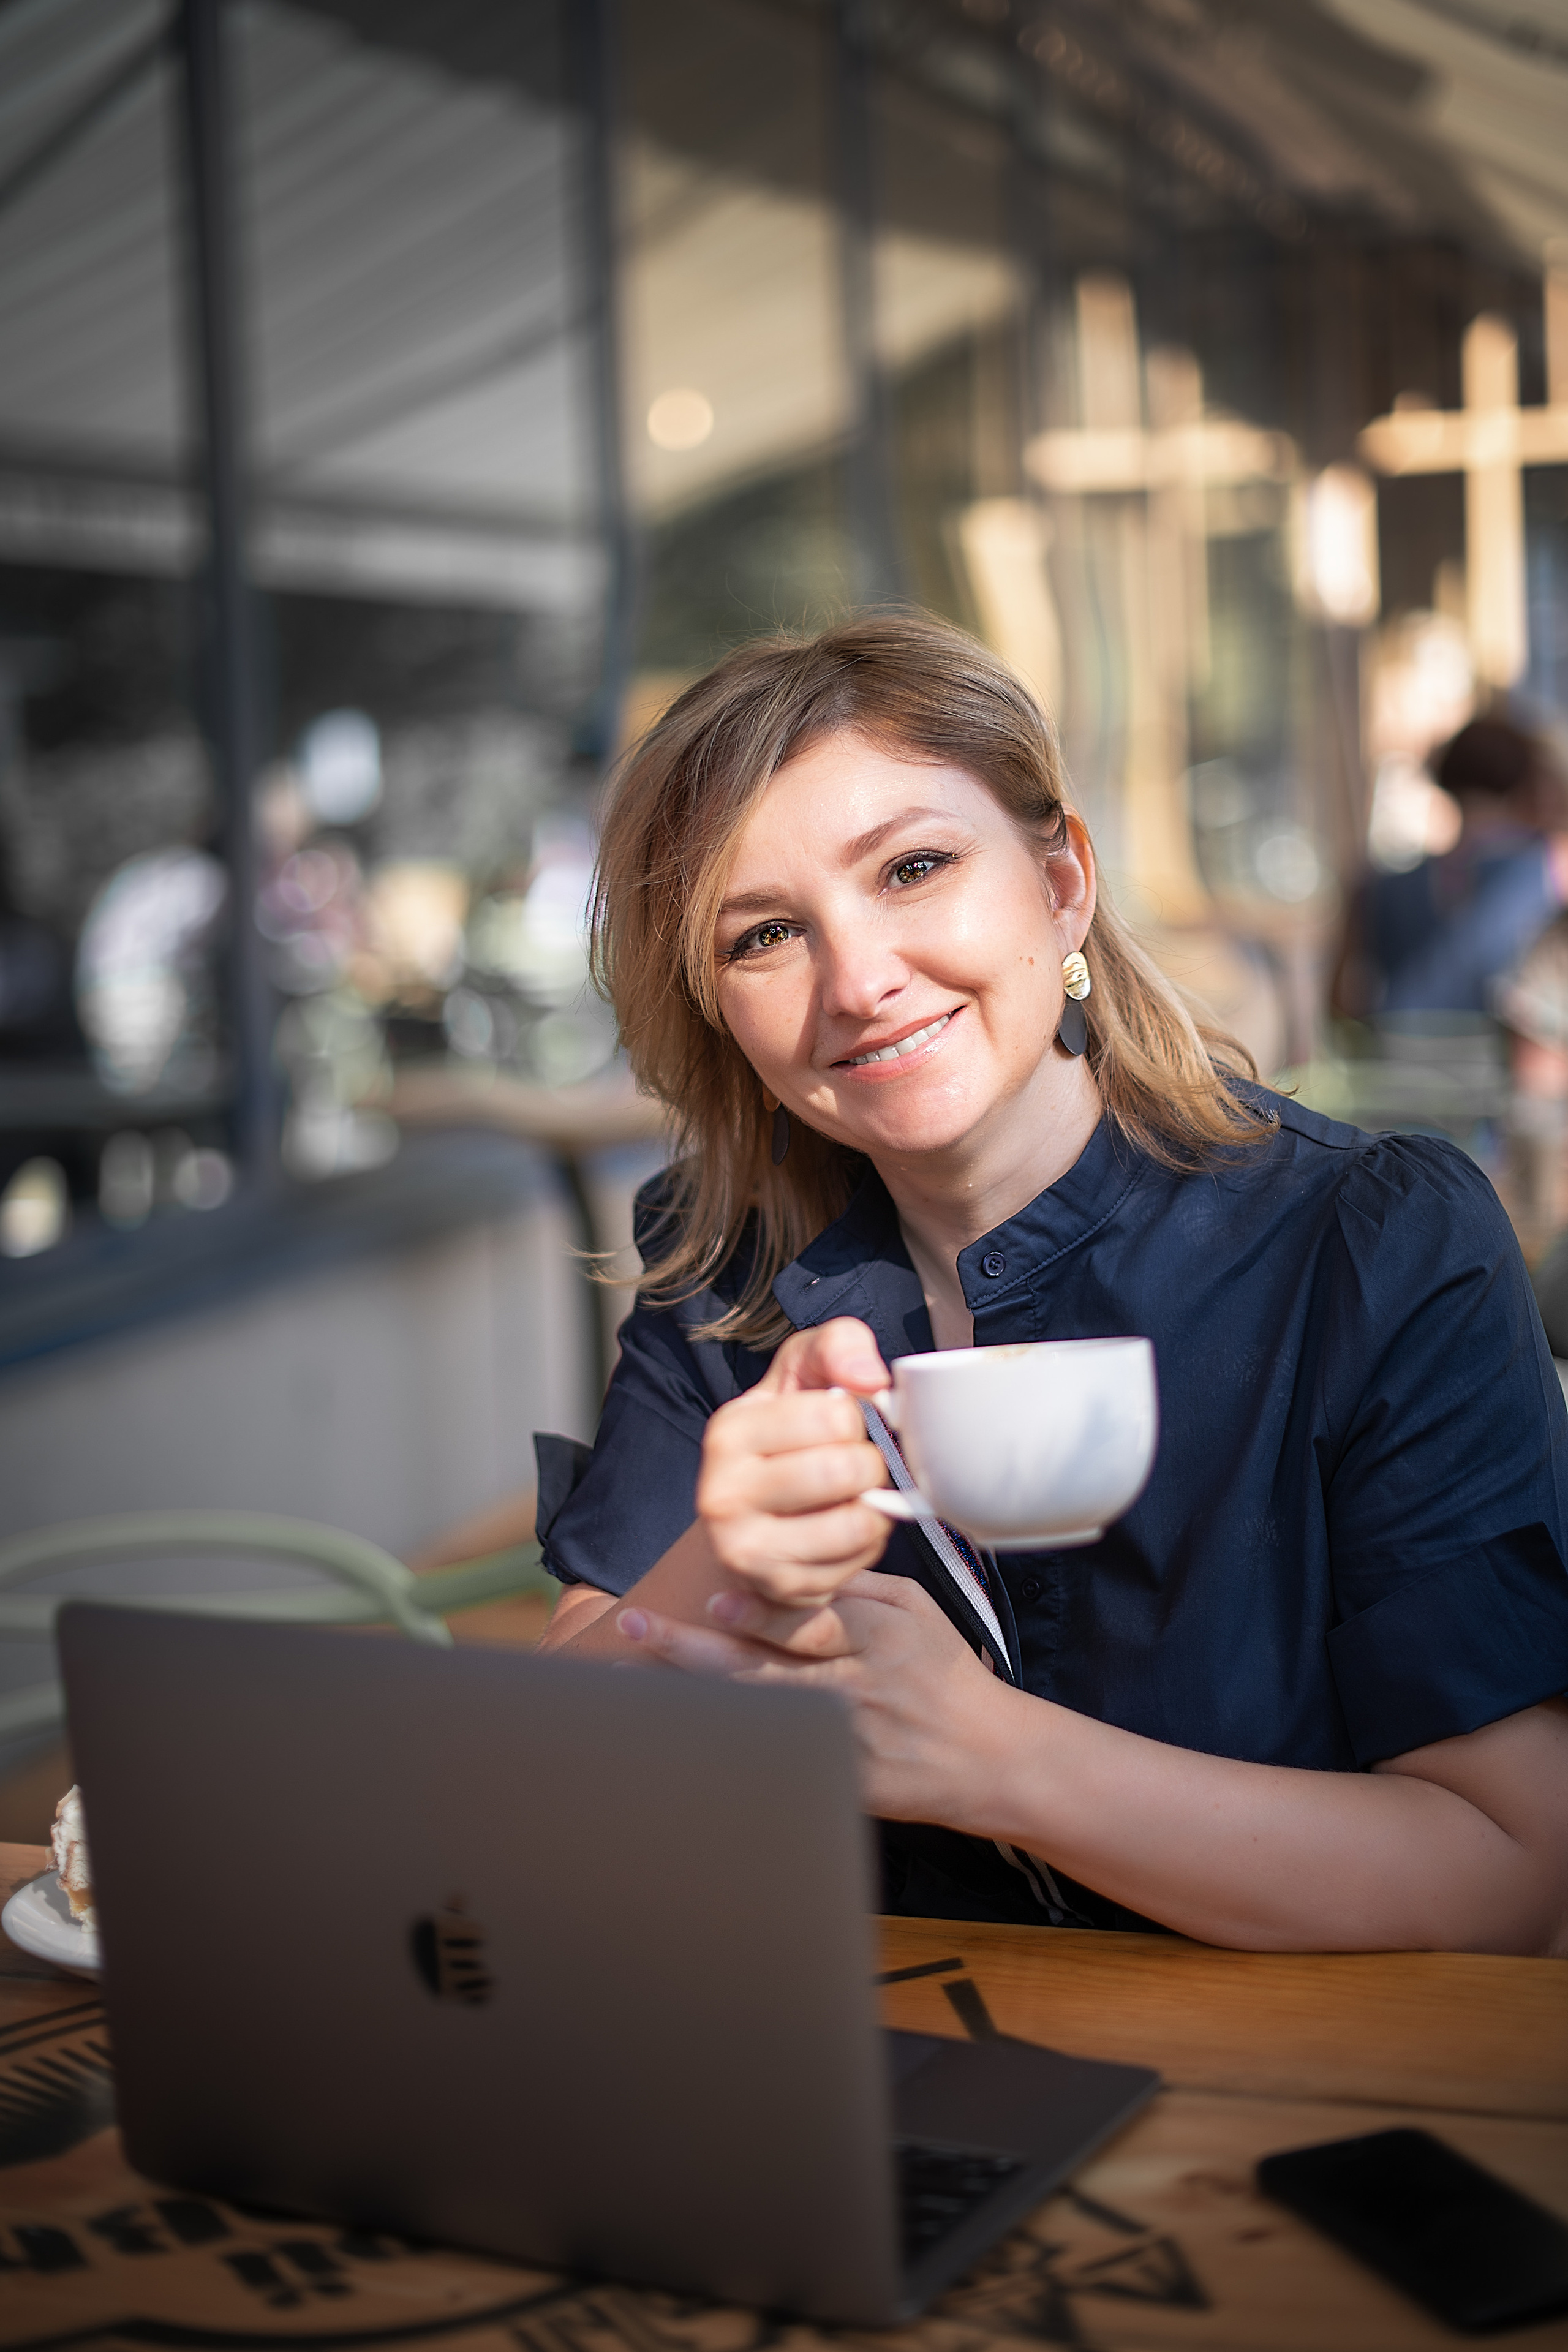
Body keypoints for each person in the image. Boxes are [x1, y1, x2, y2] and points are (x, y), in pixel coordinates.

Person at [535, 615, 1568, 1955]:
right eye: (764, 935)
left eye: (912, 867)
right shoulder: (721, 1266)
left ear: (1060, 882)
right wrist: (720, 1563)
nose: (858, 982)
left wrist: (992, 1760)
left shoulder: (1370, 1243)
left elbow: (1509, 1874)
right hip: (862, 2089)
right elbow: (552, 1786)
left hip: (1287, 2096)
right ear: (716, 1004)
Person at [1335, 714, 1568, 1020]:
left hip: (1394, 1051)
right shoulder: (1546, 870)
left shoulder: (1377, 885)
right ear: (1525, 784)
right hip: (1507, 1057)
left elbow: (1341, 999)